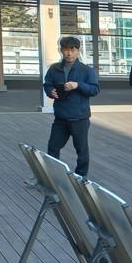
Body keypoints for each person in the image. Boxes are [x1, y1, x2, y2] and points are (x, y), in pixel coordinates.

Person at [43, 36, 100, 177]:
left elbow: (95, 90)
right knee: (53, 147)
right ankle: (53, 175)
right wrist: (50, 92)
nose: (69, 53)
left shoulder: (86, 70)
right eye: (66, 50)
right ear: (61, 50)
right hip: (61, 117)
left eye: (72, 50)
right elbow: (47, 84)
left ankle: (81, 177)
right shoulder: (54, 69)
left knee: (81, 150)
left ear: (78, 50)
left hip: (79, 117)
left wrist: (78, 85)